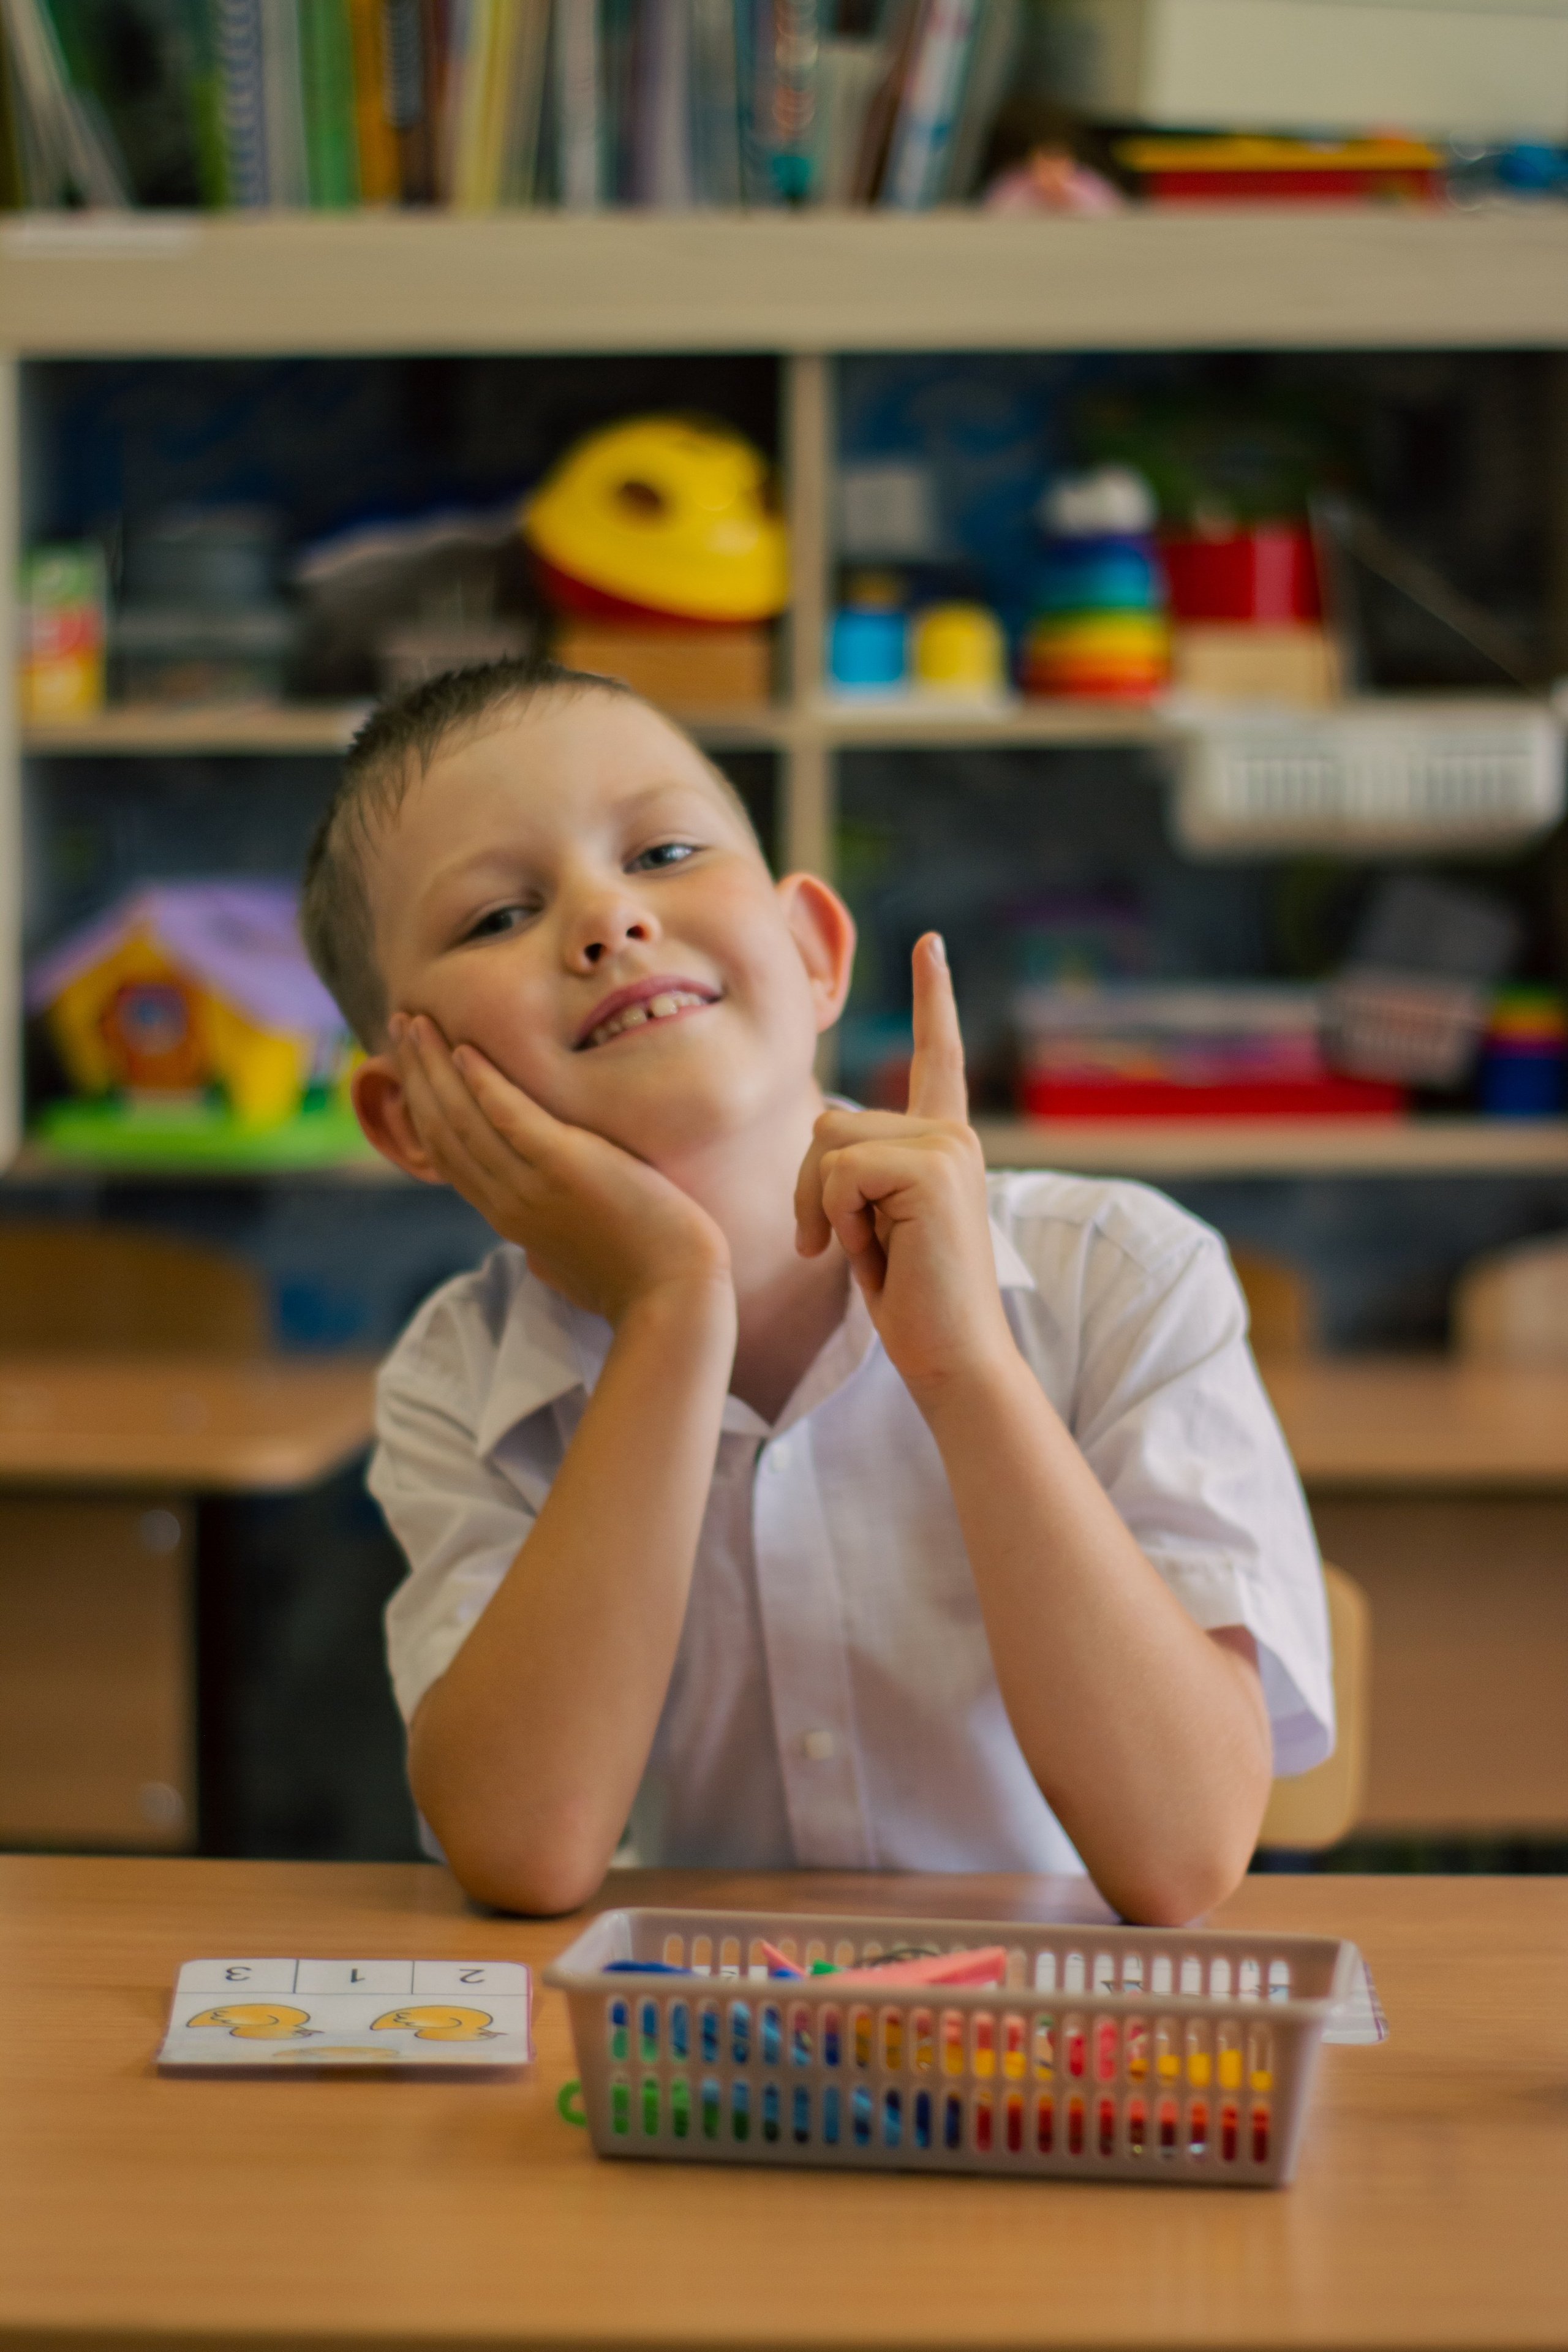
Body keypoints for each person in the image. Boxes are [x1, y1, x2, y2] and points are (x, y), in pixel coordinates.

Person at [302, 657, 1332, 1923]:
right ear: (408, 1117)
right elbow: (526, 1853)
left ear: (812, 950)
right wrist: (672, 1306)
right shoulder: (459, 1377)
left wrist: (966, 1371)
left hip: (1049, 2076)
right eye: (496, 918)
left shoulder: (1117, 1273)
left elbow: (1178, 1858)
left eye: (663, 851)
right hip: (685, 2071)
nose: (607, 920)